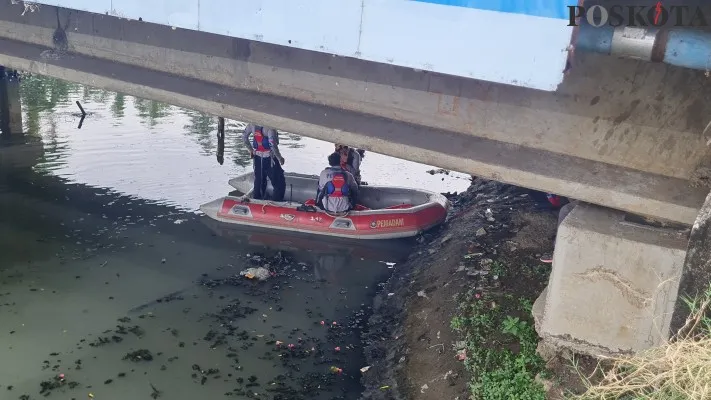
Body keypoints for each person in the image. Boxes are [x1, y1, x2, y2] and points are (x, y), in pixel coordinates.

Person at [242, 124, 286, 201]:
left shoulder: (251, 125)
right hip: (269, 158)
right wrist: (280, 158)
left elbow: (244, 137)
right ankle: (277, 201)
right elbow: (272, 144)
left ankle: (257, 199)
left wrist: (251, 150)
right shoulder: (270, 129)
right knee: (279, 182)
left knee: (259, 179)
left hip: (257, 158)